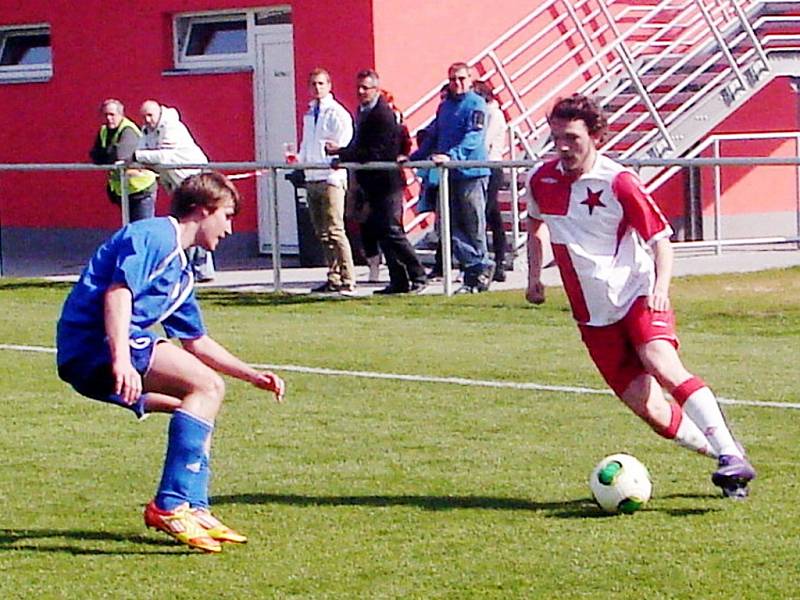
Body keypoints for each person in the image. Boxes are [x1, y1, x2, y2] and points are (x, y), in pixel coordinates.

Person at [524, 94, 755, 498]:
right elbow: (536, 227)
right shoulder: (541, 179)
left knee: (660, 361)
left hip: (637, 293)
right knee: (649, 408)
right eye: (556, 137)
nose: (562, 147)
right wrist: (534, 278)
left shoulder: (620, 182)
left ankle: (729, 454)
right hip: (593, 314)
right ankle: (725, 456)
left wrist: (661, 289)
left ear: (596, 136)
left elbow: (661, 242)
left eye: (573, 138)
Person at [56, 172, 286, 553]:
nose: (230, 229)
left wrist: (252, 375)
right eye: (227, 215)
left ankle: (194, 507)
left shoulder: (181, 272)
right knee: (207, 386)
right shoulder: (154, 236)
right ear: (202, 210)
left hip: (104, 351)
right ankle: (170, 504)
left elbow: (196, 341)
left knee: (198, 406)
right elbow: (118, 294)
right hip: (92, 344)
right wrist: (123, 359)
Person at [327, 70, 427, 295]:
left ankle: (418, 274)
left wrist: (341, 154)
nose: (361, 92)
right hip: (371, 182)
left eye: (366, 88)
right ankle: (398, 280)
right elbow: (359, 145)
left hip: (387, 182)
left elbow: (375, 151)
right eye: (359, 87)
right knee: (381, 232)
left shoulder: (383, 114)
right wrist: (343, 155)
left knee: (391, 230)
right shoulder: (363, 112)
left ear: (376, 90)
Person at [406, 62, 494, 293]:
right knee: (448, 226)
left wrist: (452, 156)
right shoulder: (445, 106)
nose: (458, 84)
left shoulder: (476, 104)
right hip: (448, 175)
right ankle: (474, 268)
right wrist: (414, 157)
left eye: (462, 79)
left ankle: (480, 270)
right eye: (453, 79)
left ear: (470, 79)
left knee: (473, 224)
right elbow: (434, 134)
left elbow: (473, 136)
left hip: (471, 173)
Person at [134, 100, 215, 282]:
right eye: (144, 116)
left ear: (159, 113)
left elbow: (164, 157)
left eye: (150, 116)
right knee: (183, 224)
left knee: (195, 222)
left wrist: (138, 157)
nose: (147, 120)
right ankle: (190, 269)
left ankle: (202, 270)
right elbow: (143, 152)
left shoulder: (173, 128)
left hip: (193, 178)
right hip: (175, 182)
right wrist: (140, 157)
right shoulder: (147, 130)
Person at [297, 68, 357, 296]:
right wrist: (299, 161)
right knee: (321, 232)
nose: (317, 88)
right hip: (312, 176)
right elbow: (306, 144)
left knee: (335, 229)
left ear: (329, 86)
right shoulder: (309, 114)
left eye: (321, 84)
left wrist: (332, 158)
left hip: (331, 178)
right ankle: (333, 277)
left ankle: (348, 278)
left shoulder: (337, 113)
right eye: (313, 84)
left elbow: (342, 143)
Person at [89, 98, 157, 222]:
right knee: (129, 229)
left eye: (112, 115)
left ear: (121, 114)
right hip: (123, 190)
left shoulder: (128, 130)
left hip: (141, 189)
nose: (109, 118)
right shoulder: (104, 131)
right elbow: (95, 156)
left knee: (142, 229)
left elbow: (120, 156)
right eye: (106, 115)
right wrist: (108, 154)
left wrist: (106, 155)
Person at [473, 82, 509, 282]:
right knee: (491, 215)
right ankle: (496, 260)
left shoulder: (493, 114)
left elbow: (484, 141)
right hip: (483, 166)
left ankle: (498, 260)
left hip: (491, 166)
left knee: (488, 213)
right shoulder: (484, 112)